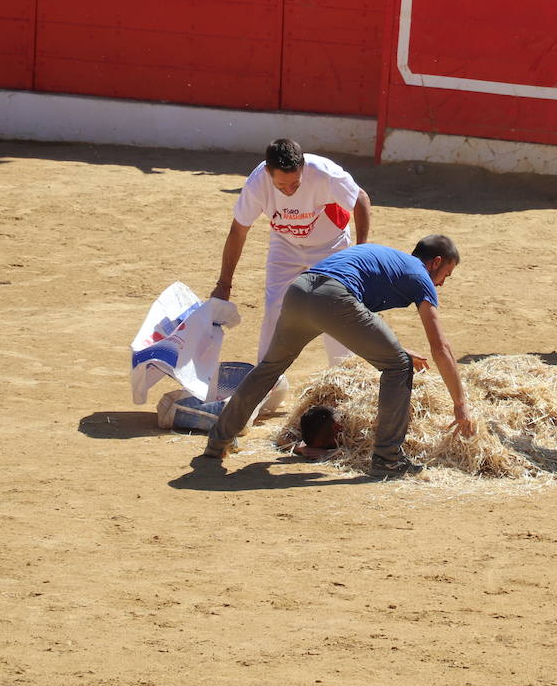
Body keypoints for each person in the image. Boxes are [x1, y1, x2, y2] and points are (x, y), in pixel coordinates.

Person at [202, 237, 476, 477]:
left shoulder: (387, 258)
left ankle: (218, 442)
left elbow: (357, 319)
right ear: (435, 263)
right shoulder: (421, 276)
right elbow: (440, 347)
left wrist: (397, 348)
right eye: (446, 276)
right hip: (334, 298)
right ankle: (388, 459)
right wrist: (460, 403)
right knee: (398, 367)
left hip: (300, 289)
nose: (440, 284)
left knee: (269, 368)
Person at [211, 139, 371, 368]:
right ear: (268, 172)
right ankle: (266, 382)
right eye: (281, 186)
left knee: (336, 309)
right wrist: (224, 284)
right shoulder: (257, 182)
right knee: (274, 308)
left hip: (330, 244)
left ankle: (342, 380)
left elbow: (360, 198)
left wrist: (360, 250)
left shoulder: (324, 172)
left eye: (295, 184)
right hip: (285, 244)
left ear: (303, 167)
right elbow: (238, 230)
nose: (288, 191)